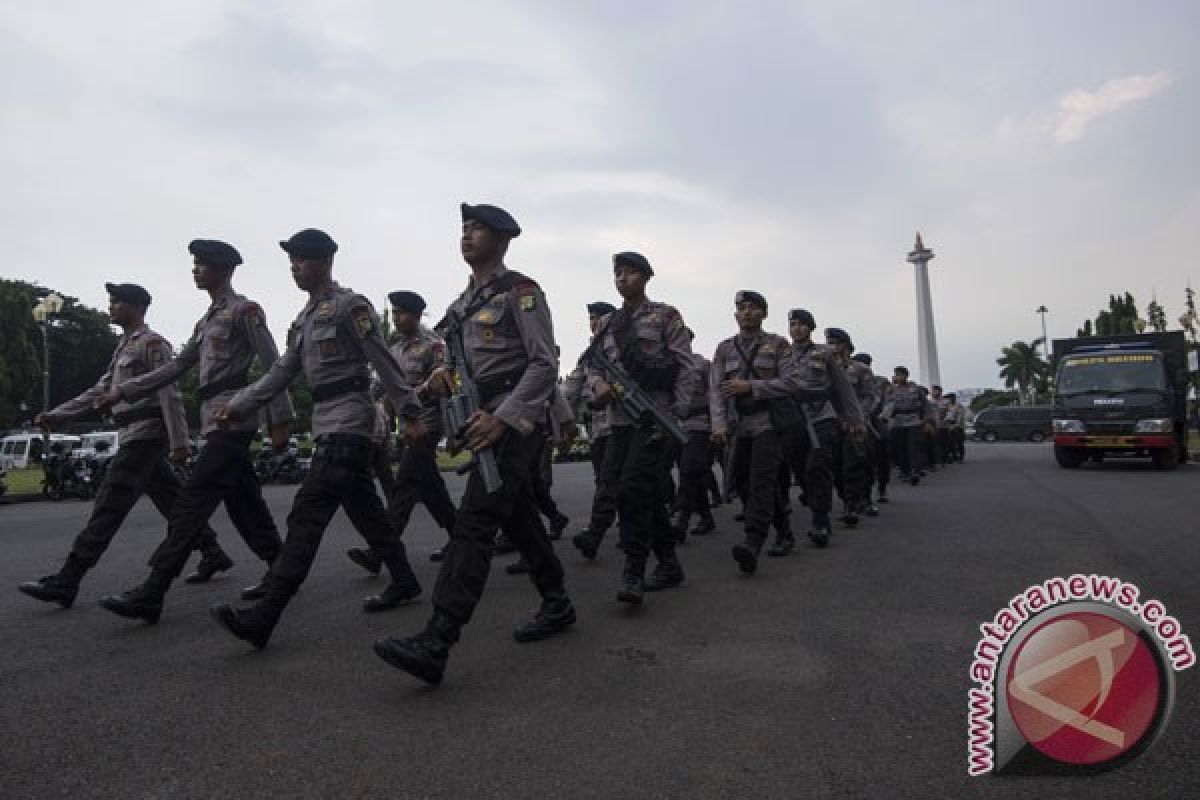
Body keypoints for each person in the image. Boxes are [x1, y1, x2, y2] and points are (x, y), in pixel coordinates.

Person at [374, 203, 576, 686]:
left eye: (478, 228)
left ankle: (437, 639)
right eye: (463, 228)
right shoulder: (462, 305)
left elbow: (544, 365)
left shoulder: (520, 292)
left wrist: (505, 419)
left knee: (474, 524)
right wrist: (446, 373)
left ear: (502, 240)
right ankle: (558, 602)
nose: (467, 235)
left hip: (512, 420)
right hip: (479, 417)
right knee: (519, 515)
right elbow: (460, 360)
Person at [207, 228, 424, 649]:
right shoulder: (304, 320)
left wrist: (411, 414)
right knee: (367, 512)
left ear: (324, 262)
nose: (294, 267)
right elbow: (281, 373)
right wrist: (240, 404)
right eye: (291, 261)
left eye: (301, 259)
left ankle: (264, 617)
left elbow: (384, 362)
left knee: (306, 517)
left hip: (349, 422)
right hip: (327, 422)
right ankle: (405, 580)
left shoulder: (350, 308)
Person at [95, 240, 295, 624]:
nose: (195, 270)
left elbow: (275, 366)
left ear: (222, 269)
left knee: (192, 502)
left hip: (234, 416)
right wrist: (123, 390)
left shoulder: (245, 312)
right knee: (244, 503)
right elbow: (176, 368)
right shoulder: (205, 322)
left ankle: (153, 590)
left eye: (201, 264)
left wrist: (278, 419)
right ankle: (281, 568)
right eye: (195, 264)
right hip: (213, 417)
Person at [18, 283, 230, 608]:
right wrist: (59, 415)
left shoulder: (153, 344)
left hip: (145, 436)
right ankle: (212, 552)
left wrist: (179, 441)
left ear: (135, 306)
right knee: (173, 501)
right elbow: (98, 392)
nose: (111, 306)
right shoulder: (123, 349)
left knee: (108, 507)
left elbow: (169, 392)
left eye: (117, 301)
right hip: (133, 434)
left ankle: (68, 579)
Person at [581, 251, 694, 603]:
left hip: (654, 418)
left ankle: (633, 570)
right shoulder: (607, 324)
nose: (622, 279)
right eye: (618, 273)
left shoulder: (665, 315)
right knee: (638, 492)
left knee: (631, 490)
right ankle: (669, 564)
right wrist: (597, 387)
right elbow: (592, 367)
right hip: (619, 421)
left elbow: (684, 365)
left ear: (645, 278)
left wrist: (678, 409)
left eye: (630, 273)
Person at [346, 291, 459, 573]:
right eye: (394, 313)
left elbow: (444, 386)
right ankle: (461, 536)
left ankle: (380, 551)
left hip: (429, 423)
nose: (397, 319)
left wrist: (411, 396)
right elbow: (382, 385)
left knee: (405, 485)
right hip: (405, 424)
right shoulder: (394, 348)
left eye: (402, 313)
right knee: (430, 486)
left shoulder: (434, 347)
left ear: (418, 315)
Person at [711, 292, 807, 573]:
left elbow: (793, 382)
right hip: (740, 425)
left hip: (769, 422)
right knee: (741, 481)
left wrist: (752, 387)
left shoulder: (778, 344)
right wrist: (718, 423)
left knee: (761, 479)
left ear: (764, 314)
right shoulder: (724, 349)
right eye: (741, 308)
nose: (747, 312)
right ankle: (785, 531)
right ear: (735, 315)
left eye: (754, 308)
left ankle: (753, 542)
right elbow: (716, 390)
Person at [782, 309, 864, 547]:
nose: (796, 329)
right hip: (793, 419)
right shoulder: (782, 353)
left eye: (801, 324)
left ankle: (820, 521)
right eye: (793, 324)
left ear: (810, 328)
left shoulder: (825, 354)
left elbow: (843, 389)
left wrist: (854, 419)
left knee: (817, 467)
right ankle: (813, 498)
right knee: (801, 470)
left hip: (821, 416)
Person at [565, 302, 618, 558]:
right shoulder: (588, 356)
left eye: (599, 318)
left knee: (611, 481)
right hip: (597, 427)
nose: (594, 322)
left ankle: (595, 533)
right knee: (606, 481)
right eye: (592, 318)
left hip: (618, 426)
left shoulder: (618, 350)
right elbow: (571, 390)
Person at [824, 327, 875, 526]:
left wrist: (857, 419)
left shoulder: (861, 369)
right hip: (831, 422)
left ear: (844, 345)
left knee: (856, 464)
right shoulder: (824, 369)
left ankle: (855, 504)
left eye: (834, 343)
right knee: (836, 466)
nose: (831, 347)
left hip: (857, 424)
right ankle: (848, 500)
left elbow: (871, 397)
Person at [671, 327, 716, 540]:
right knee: (692, 473)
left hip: (699, 424)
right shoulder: (667, 366)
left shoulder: (703, 365)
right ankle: (706, 516)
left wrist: (718, 425)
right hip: (674, 426)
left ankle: (682, 518)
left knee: (689, 469)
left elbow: (715, 396)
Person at [883, 366, 933, 485]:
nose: (898, 377)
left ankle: (915, 471)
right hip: (897, 422)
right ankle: (904, 471)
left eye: (901, 375)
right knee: (900, 448)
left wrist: (927, 421)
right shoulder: (891, 390)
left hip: (913, 420)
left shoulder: (915, 389)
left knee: (914, 446)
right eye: (896, 375)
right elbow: (886, 406)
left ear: (906, 376)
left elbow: (926, 406)